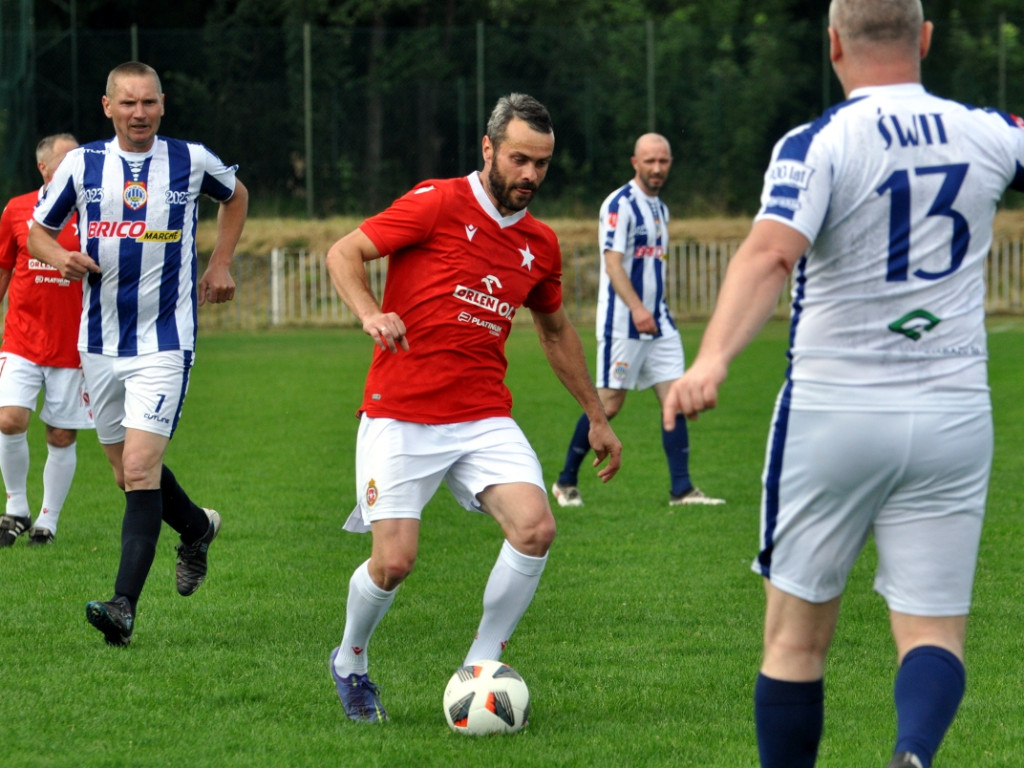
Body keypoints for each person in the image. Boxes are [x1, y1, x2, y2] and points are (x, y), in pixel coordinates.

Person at [662, 2, 1024, 766]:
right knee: (932, 634)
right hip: (955, 410)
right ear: (925, 38)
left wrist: (712, 360)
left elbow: (769, 255)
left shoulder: (818, 141)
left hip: (836, 411)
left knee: (795, 642)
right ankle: (913, 753)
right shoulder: (992, 130)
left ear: (832, 44)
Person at [324, 93, 622, 722]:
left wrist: (595, 415)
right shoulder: (436, 201)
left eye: (541, 164)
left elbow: (555, 330)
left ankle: (481, 668)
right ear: (488, 149)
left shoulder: (540, 244)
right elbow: (342, 253)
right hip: (399, 410)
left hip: (483, 413)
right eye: (519, 160)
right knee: (394, 561)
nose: (531, 177)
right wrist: (370, 312)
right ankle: (350, 660)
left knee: (537, 527)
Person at [28, 61, 249, 646]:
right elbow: (37, 233)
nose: (139, 113)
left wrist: (221, 261)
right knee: (127, 478)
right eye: (128, 103)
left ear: (162, 104)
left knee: (138, 469)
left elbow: (237, 195)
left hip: (165, 343)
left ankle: (122, 608)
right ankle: (197, 527)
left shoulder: (191, 159)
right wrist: (60, 258)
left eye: (149, 102)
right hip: (97, 344)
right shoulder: (80, 164)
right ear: (108, 107)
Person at [552, 133, 722, 508]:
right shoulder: (619, 204)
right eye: (650, 161)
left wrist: (653, 309)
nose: (657, 168)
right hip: (623, 322)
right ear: (635, 162)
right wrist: (638, 309)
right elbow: (613, 265)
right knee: (609, 405)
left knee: (674, 401)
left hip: (659, 322)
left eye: (663, 161)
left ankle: (682, 490)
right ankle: (565, 482)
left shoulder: (661, 208)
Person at [0, 134, 94, 547]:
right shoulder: (17, 210)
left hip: (73, 345)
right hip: (20, 337)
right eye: (66, 161)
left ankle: (47, 521)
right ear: (43, 168)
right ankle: (16, 507)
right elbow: (4, 266)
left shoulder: (94, 212)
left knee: (60, 434)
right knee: (8, 419)